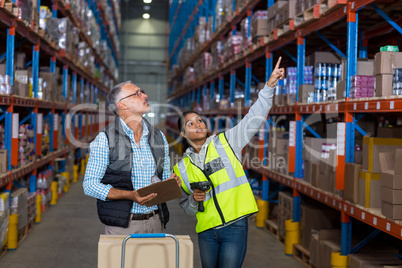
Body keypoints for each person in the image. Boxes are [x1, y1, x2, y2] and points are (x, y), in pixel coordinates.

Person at [173, 57, 285, 268]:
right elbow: (187, 209)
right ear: (182, 133)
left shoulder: (226, 142)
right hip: (206, 231)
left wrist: (268, 87)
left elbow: (255, 117)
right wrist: (194, 200)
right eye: (190, 123)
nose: (198, 123)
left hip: (234, 227)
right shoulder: (181, 168)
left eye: (199, 119)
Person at [83, 81, 181, 235]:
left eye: (142, 91)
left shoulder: (159, 137)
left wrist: (171, 183)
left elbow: (163, 177)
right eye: (137, 93)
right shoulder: (105, 139)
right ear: (122, 105)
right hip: (123, 225)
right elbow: (89, 185)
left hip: (156, 221)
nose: (145, 95)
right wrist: (130, 195)